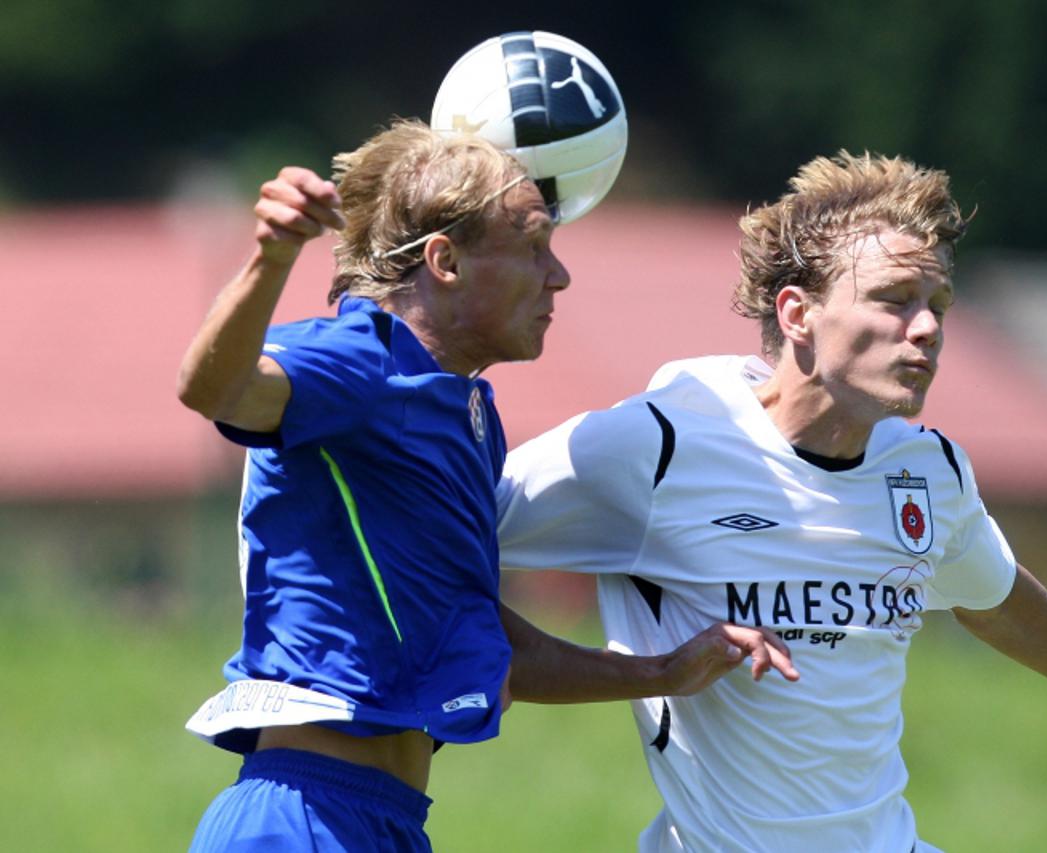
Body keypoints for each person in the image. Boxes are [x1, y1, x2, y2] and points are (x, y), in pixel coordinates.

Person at [496, 150, 1047, 852]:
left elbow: (995, 597)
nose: (927, 328)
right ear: (798, 313)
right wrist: (602, 671)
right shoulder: (657, 445)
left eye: (938, 305)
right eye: (893, 299)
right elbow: (430, 541)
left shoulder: (928, 469)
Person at [176, 118, 796, 852]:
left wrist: (661, 670)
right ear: (445, 261)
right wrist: (270, 259)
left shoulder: (468, 414)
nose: (558, 275)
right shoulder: (361, 358)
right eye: (534, 247)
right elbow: (215, 389)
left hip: (389, 820)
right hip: (303, 818)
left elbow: (478, 634)